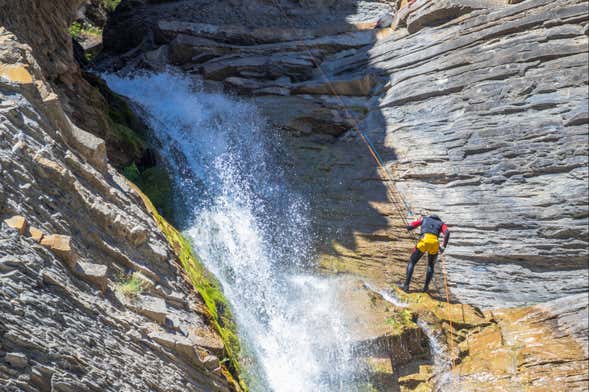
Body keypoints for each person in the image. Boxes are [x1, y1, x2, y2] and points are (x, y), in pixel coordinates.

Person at [401, 214, 450, 292]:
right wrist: (443, 246)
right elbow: (447, 233)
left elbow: (411, 226)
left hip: (424, 241)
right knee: (430, 266)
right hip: (434, 244)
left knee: (412, 262)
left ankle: (406, 286)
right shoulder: (441, 224)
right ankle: (425, 288)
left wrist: (409, 226)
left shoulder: (424, 219)